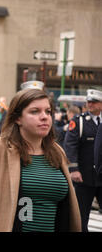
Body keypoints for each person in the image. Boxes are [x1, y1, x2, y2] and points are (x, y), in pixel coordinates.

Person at [0, 88, 81, 232]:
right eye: (35, 111)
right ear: (18, 118)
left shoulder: (57, 151)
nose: (44, 117)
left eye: (48, 111)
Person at [64, 89, 102, 231]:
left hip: (101, 176)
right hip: (84, 177)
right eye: (89, 102)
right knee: (81, 216)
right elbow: (70, 146)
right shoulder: (79, 121)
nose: (90, 104)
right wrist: (73, 169)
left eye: (94, 102)